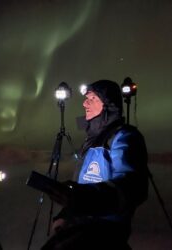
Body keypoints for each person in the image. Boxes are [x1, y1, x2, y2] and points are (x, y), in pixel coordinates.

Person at [41, 79, 148, 250]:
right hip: (82, 224)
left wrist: (87, 198)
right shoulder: (91, 142)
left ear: (107, 105)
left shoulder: (124, 137)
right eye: (86, 98)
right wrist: (66, 213)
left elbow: (132, 187)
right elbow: (82, 187)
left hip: (106, 229)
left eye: (91, 98)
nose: (84, 103)